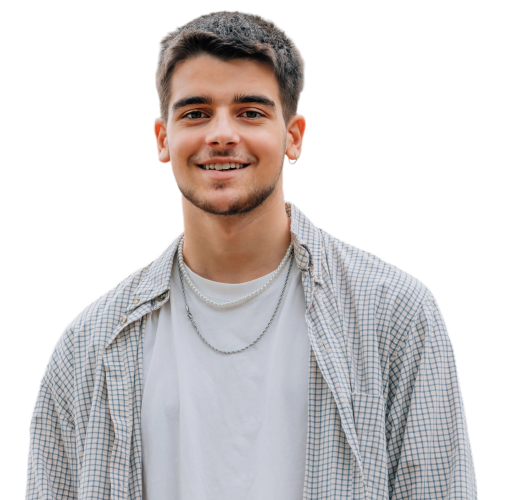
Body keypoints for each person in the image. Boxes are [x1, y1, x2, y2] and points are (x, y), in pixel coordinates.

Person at [25, 10, 477, 500]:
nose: (221, 134)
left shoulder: (394, 313)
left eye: (250, 112)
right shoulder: (89, 345)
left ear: (293, 137)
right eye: (196, 113)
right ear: (162, 139)